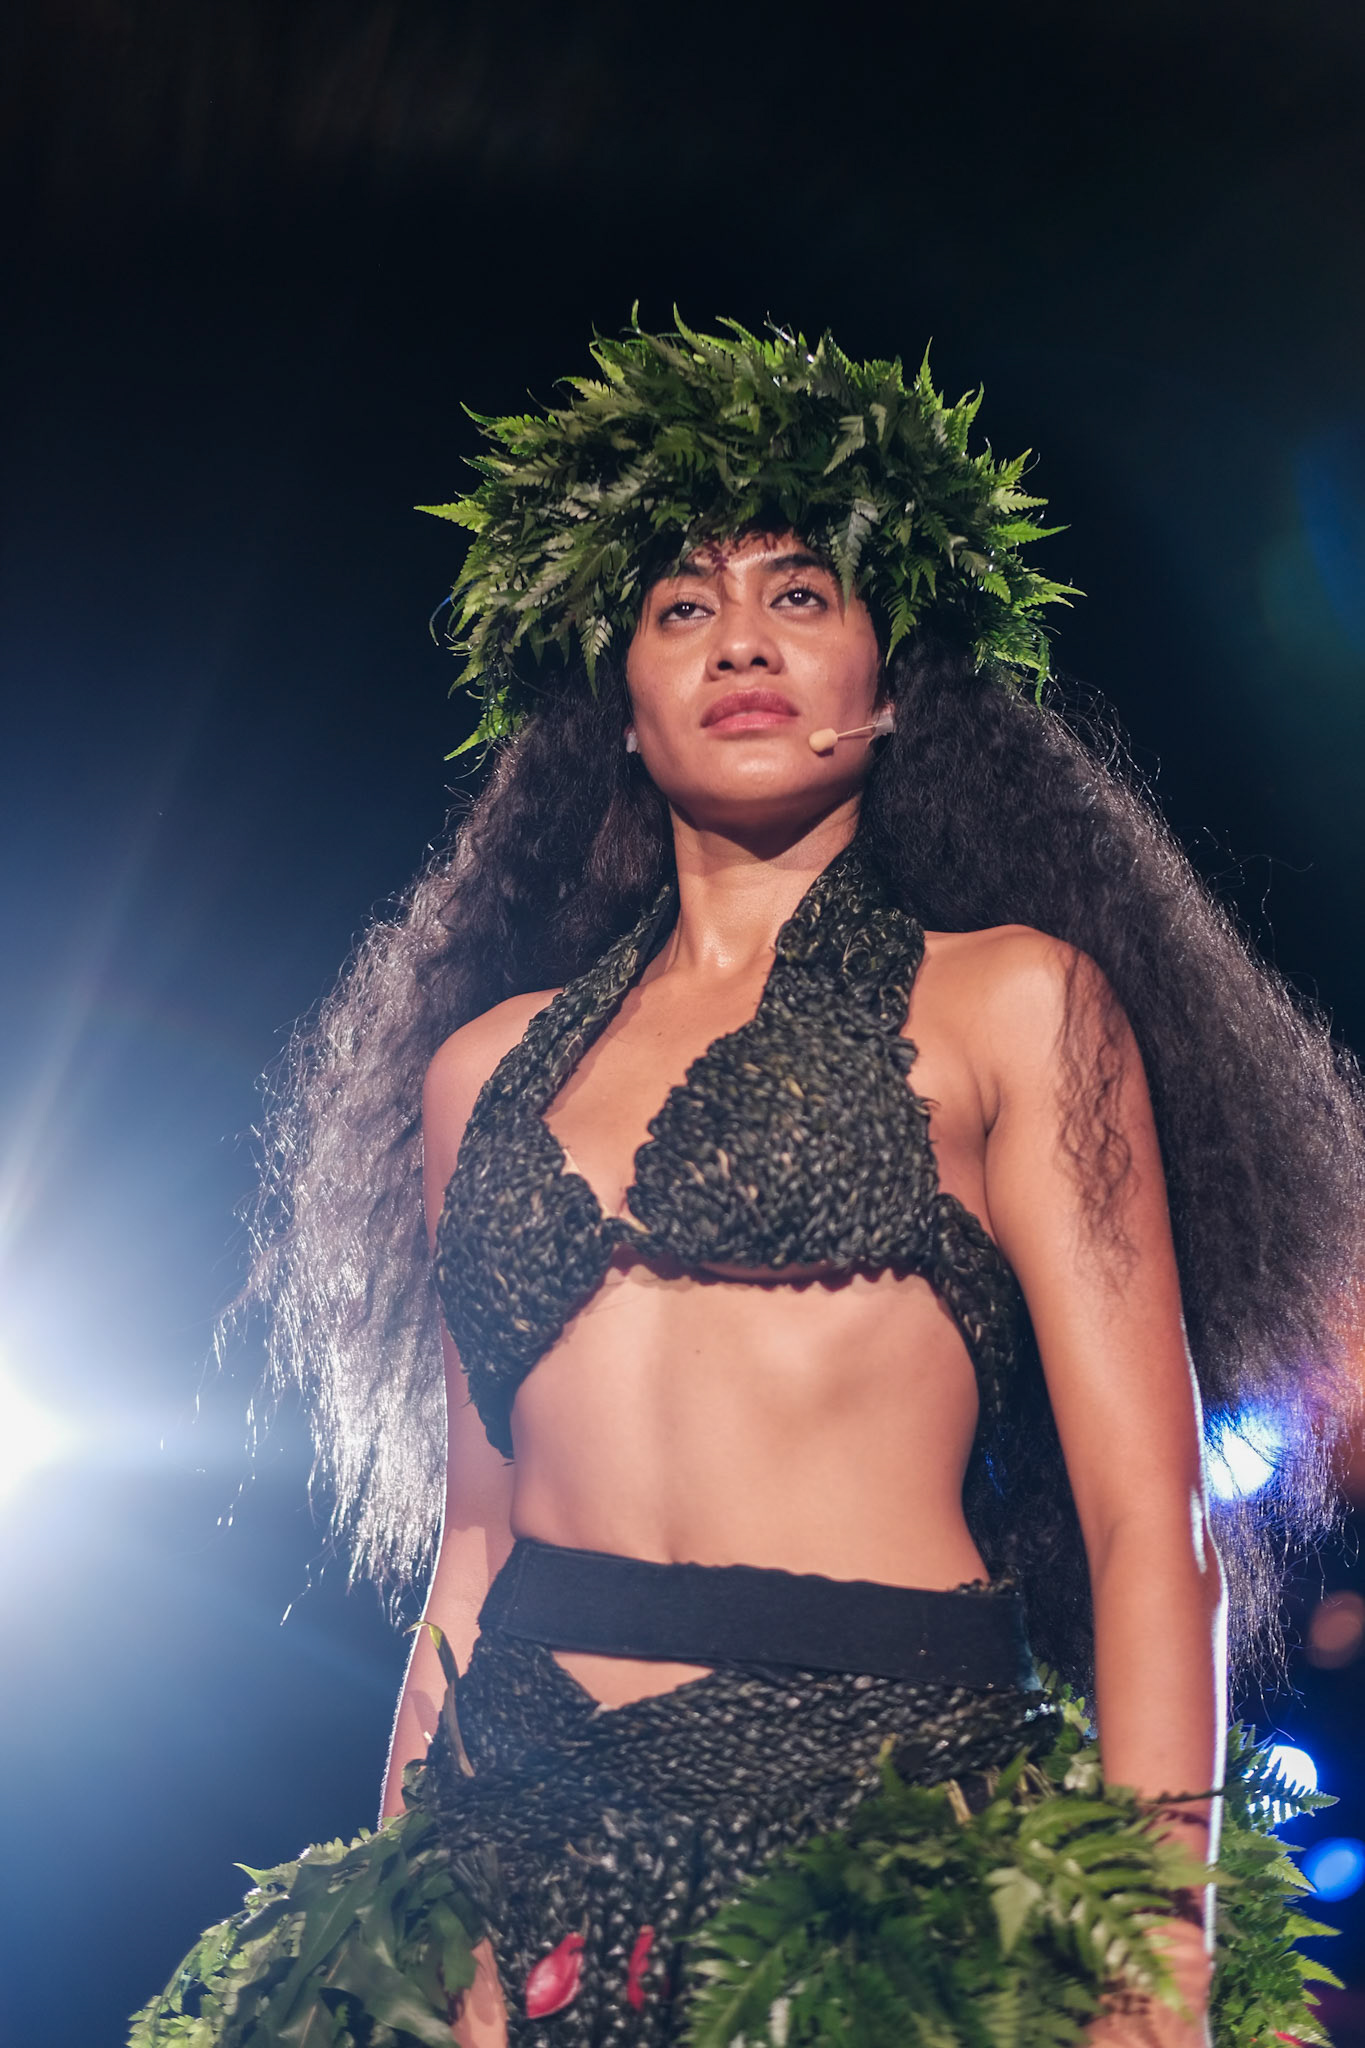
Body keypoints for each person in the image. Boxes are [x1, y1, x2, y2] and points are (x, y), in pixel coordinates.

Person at [131, 319, 1363, 2048]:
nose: (741, 642)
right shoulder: (480, 1071)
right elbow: (473, 1546)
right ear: (622, 714)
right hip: (519, 1842)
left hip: (887, 1843)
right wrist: (397, 1931)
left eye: (800, 594)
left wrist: (1157, 1949)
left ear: (890, 687)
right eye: (679, 609)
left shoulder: (1013, 1002)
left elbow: (1142, 1526)